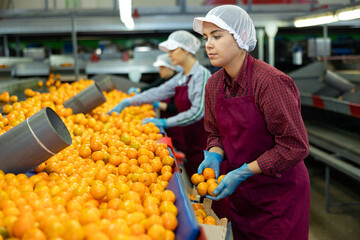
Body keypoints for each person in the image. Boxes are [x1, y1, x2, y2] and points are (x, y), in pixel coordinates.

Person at [194, 5, 310, 240]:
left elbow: (294, 146)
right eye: (206, 38)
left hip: (279, 196)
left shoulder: (270, 83)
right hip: (243, 195)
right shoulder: (214, 85)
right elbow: (215, 132)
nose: (208, 44)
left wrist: (243, 172)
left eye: (217, 36)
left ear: (242, 37)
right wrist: (214, 153)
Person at [109, 30, 211, 177]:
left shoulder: (201, 75)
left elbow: (197, 112)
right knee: (194, 174)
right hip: (189, 135)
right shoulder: (182, 77)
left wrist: (165, 121)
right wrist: (128, 102)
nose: (169, 55)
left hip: (203, 138)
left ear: (186, 50)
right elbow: (158, 92)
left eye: (172, 50)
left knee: (206, 178)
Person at [127, 53, 186, 153]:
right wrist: (139, 90)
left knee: (181, 147)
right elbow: (151, 87)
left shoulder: (179, 83)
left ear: (171, 68)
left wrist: (156, 104)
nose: (159, 71)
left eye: (162, 68)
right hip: (166, 120)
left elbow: (177, 108)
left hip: (177, 124)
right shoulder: (164, 79)